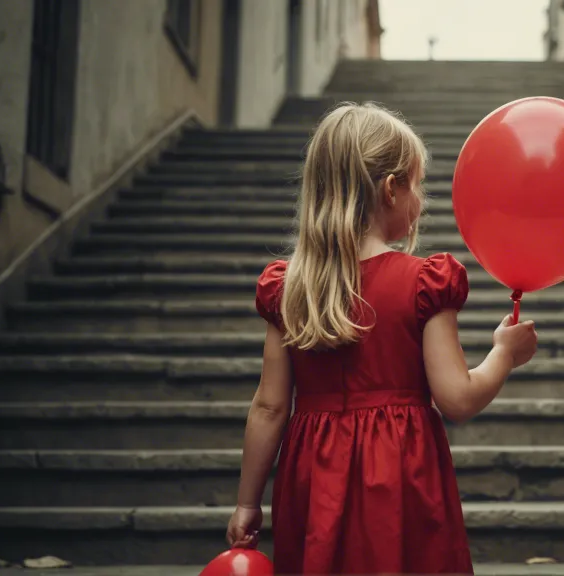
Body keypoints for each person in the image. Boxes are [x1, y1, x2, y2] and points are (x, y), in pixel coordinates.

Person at [225, 102, 539, 575]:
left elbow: (270, 408)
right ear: (392, 189)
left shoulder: (290, 289)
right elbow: (456, 399)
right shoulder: (422, 283)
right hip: (400, 475)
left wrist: (247, 503)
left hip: (313, 476)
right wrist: (503, 354)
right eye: (417, 184)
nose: (421, 200)